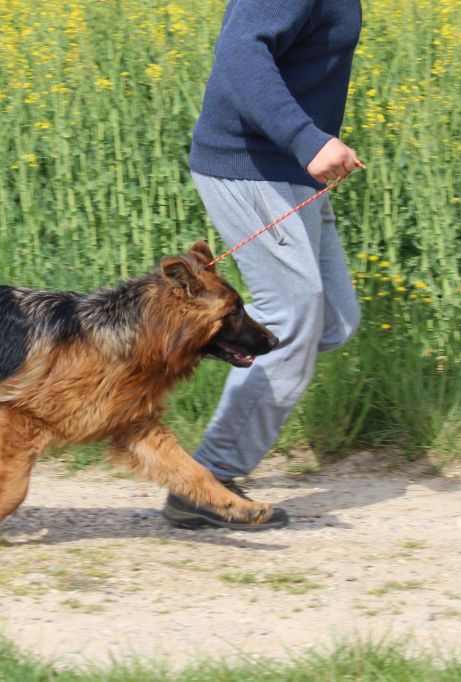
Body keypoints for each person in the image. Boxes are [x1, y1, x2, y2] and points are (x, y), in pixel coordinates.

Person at [162, 0, 364, 531]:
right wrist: (307, 138)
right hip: (251, 166)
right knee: (291, 321)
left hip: (292, 174)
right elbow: (239, 53)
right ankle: (205, 484)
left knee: (333, 320)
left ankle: (208, 347)